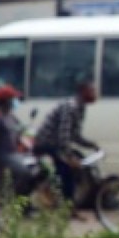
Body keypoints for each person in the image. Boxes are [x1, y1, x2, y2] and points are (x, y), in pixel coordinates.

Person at [34, 80, 100, 217]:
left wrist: (91, 145)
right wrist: (69, 157)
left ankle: (62, 203)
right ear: (83, 91)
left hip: (56, 143)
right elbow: (63, 136)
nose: (95, 94)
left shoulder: (81, 107)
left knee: (69, 171)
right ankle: (69, 210)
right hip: (47, 142)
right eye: (92, 90)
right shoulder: (71, 107)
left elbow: (74, 135)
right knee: (68, 171)